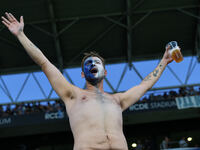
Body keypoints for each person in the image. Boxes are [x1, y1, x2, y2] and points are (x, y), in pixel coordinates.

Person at [1, 12, 173, 150]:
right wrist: (21, 35)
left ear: (105, 72)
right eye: (88, 64)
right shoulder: (73, 95)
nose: (92, 64)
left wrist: (164, 61)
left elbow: (145, 85)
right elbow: (44, 63)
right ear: (83, 74)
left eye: (96, 62)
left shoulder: (118, 100)